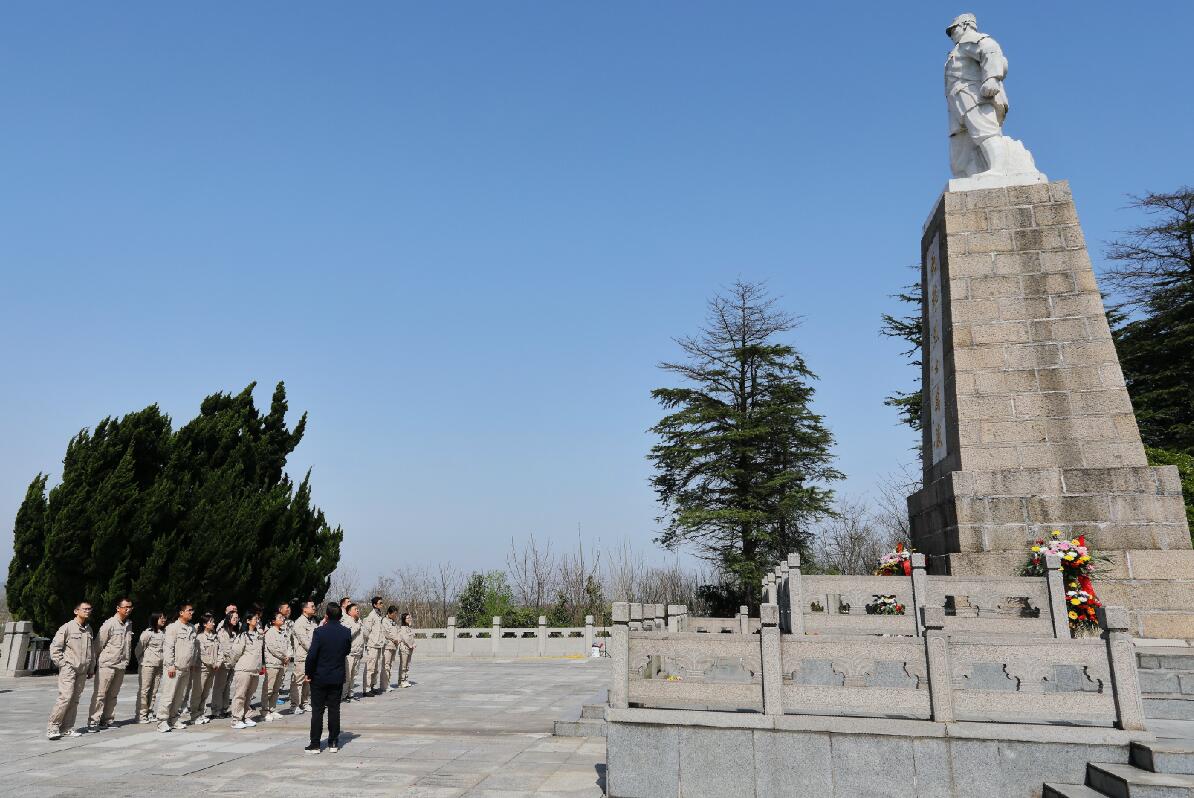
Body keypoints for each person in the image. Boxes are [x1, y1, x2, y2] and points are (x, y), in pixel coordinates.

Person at [944, 12, 1011, 178]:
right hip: (958, 101)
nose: (951, 35)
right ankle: (969, 175)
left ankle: (998, 169)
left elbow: (991, 51)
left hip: (973, 95)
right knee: (961, 145)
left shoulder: (970, 39)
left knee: (985, 132)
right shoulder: (959, 47)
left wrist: (992, 78)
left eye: (954, 29)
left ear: (965, 25)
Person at [304, 602, 351, 754]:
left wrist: (308, 672)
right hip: (337, 675)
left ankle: (315, 744)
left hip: (319, 676)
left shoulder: (319, 632)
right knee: (334, 709)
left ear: (326, 615)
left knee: (317, 710)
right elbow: (347, 650)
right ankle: (333, 742)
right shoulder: (346, 632)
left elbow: (312, 655)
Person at [46, 601, 95, 740]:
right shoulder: (67, 627)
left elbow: (91, 651)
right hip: (69, 669)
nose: (87, 611)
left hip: (82, 670)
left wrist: (91, 668)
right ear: (76, 611)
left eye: (89, 609)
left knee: (74, 700)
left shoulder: (89, 629)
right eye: (84, 609)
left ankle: (67, 728)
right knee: (65, 697)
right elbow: (55, 648)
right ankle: (52, 727)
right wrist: (63, 664)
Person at [87, 597, 133, 731]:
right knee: (100, 694)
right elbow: (98, 644)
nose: (128, 609)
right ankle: (93, 721)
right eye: (125, 607)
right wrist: (92, 665)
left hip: (121, 665)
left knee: (113, 694)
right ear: (118, 608)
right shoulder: (110, 623)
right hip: (107, 664)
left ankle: (107, 720)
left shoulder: (129, 624)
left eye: (130, 607)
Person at [157, 602, 199, 732]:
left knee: (179, 696)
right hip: (174, 668)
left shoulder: (192, 628)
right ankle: (162, 720)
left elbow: (194, 649)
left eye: (192, 610)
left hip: (186, 668)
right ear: (181, 613)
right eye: (189, 610)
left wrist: (192, 663)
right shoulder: (173, 627)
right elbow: (168, 647)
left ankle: (174, 718)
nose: (191, 613)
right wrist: (170, 665)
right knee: (168, 695)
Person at [229, 611, 264, 729]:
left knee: (249, 695)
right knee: (240, 695)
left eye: (258, 619)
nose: (257, 621)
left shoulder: (258, 635)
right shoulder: (243, 635)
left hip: (255, 670)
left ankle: (246, 716)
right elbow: (235, 653)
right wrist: (232, 664)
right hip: (244, 669)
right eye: (255, 619)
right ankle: (236, 719)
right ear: (248, 621)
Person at [135, 612, 166, 723]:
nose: (163, 620)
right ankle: (141, 715)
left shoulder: (163, 633)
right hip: (147, 665)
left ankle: (149, 712)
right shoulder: (147, 633)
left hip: (159, 665)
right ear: (154, 619)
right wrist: (141, 660)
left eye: (164, 618)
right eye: (161, 618)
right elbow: (139, 649)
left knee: (154, 691)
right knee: (144, 690)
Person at [189, 614, 220, 724]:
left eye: (213, 621)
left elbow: (220, 651)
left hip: (213, 669)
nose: (213, 624)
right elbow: (202, 653)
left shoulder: (215, 636)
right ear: (204, 624)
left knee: (205, 693)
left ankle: (201, 713)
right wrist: (212, 663)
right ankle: (194, 715)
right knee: (198, 693)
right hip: (202, 669)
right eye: (211, 622)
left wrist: (218, 663)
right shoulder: (200, 637)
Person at [290, 600, 318, 714]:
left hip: (311, 656)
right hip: (302, 656)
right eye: (312, 606)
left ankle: (304, 702)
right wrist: (315, 651)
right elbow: (304, 641)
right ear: (304, 609)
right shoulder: (299, 623)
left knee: (308, 681)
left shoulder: (312, 622)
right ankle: (294, 705)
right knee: (298, 681)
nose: (314, 608)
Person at [261, 611, 290, 721]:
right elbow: (273, 648)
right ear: (273, 621)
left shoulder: (282, 632)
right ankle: (265, 711)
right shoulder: (270, 632)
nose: (282, 619)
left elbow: (287, 645)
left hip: (281, 664)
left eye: (282, 617)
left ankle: (272, 709)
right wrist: (284, 656)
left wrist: (288, 656)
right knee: (268, 689)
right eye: (279, 617)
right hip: (272, 664)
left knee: (276, 689)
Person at [210, 610, 239, 718]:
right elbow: (226, 649)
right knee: (219, 687)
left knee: (227, 687)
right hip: (224, 664)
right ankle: (216, 710)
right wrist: (233, 658)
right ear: (228, 619)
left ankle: (224, 708)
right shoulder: (223, 632)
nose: (236, 620)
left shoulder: (234, 632)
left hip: (232, 664)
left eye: (237, 618)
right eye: (234, 618)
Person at [360, 596, 386, 696]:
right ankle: (366, 689)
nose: (382, 604)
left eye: (382, 603)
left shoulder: (379, 615)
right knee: (370, 667)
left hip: (379, 645)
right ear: (375, 605)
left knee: (376, 668)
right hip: (372, 645)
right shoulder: (371, 616)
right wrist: (371, 640)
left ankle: (372, 686)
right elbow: (366, 631)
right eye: (380, 603)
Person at [341, 603, 363, 701]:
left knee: (354, 675)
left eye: (358, 609)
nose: (358, 610)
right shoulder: (346, 622)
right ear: (349, 612)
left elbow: (362, 638)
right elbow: (347, 635)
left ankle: (350, 694)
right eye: (355, 609)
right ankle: (343, 695)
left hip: (358, 652)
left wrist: (362, 651)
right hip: (349, 653)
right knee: (347, 676)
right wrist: (357, 627)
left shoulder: (359, 621)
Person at [381, 606, 401, 693]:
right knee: (386, 665)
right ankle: (384, 685)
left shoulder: (394, 622)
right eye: (394, 614)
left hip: (394, 646)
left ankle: (388, 683)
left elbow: (398, 631)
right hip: (388, 645)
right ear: (389, 613)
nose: (395, 615)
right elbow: (386, 632)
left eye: (396, 613)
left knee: (390, 665)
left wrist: (398, 639)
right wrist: (394, 639)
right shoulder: (384, 621)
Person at [397, 612, 417, 689]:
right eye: (407, 618)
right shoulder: (402, 628)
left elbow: (412, 637)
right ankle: (401, 681)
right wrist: (410, 645)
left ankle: (405, 679)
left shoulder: (409, 628)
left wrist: (414, 643)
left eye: (410, 618)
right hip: (404, 649)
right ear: (404, 619)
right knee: (403, 665)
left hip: (410, 649)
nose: (409, 619)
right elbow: (405, 639)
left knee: (407, 665)